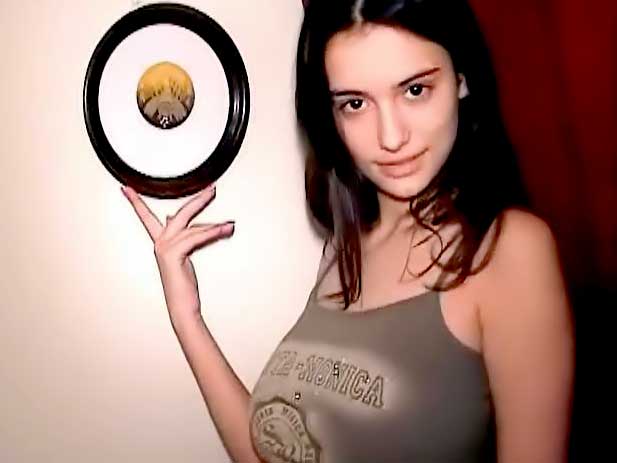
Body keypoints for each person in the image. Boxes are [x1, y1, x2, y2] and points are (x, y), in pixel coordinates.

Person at [121, 0, 575, 461]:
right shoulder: (344, 248)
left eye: (415, 90)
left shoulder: (510, 249)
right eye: (355, 104)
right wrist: (187, 316)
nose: (391, 137)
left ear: (462, 79)